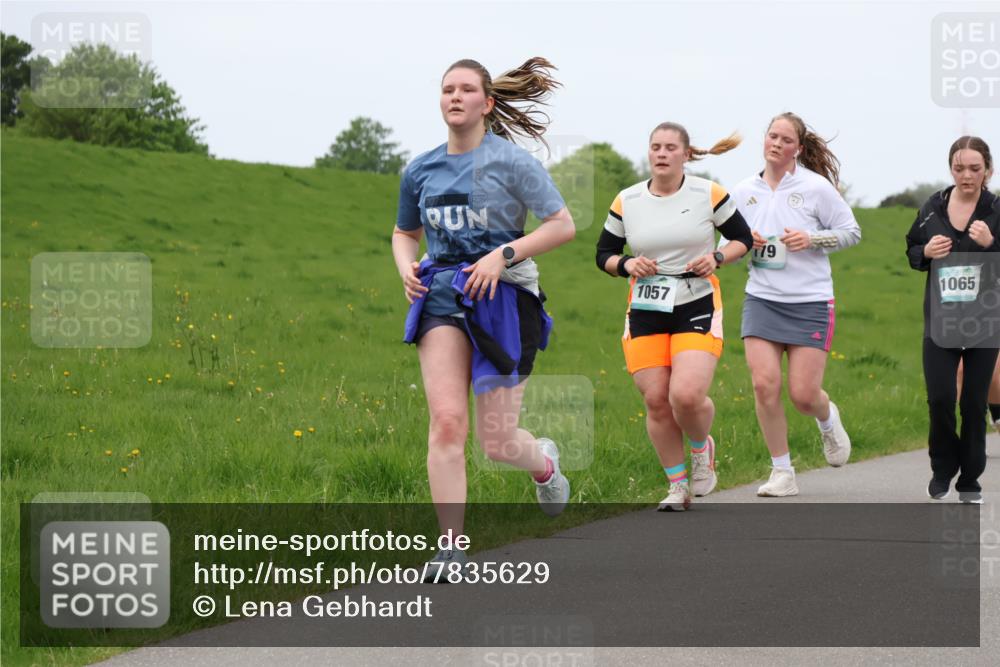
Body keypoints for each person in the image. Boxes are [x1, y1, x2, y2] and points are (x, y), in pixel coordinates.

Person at [392, 58, 576, 580]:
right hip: (443, 295)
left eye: (466, 89)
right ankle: (451, 547)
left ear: (487, 103)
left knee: (497, 442)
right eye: (447, 89)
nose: (455, 97)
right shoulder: (420, 169)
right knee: (447, 422)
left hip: (503, 297)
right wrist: (407, 267)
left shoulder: (512, 164)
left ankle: (542, 462)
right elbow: (404, 232)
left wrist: (504, 255)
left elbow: (562, 226)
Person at [595, 122, 752, 511]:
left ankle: (701, 447)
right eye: (655, 147)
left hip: (695, 299)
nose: (661, 154)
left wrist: (715, 257)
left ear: (685, 154)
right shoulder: (626, 200)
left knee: (685, 394)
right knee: (656, 400)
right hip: (647, 305)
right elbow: (603, 254)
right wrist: (628, 263)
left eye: (669, 147)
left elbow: (742, 239)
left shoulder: (707, 193)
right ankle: (677, 486)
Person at [731, 112, 861, 498]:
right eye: (772, 136)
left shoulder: (815, 187)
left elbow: (851, 232)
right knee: (763, 384)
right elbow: (726, 247)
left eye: (786, 140)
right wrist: (742, 244)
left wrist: (812, 239)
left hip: (810, 301)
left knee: (803, 395)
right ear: (764, 140)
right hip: (762, 299)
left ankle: (826, 417)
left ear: (798, 149)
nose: (776, 144)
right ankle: (782, 471)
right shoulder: (743, 191)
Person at [906, 135, 999, 504]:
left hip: (984, 323)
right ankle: (943, 468)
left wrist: (991, 244)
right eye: (959, 168)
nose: (966, 175)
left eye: (975, 169)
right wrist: (926, 252)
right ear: (951, 169)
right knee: (941, 398)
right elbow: (912, 248)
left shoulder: (995, 210)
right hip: (941, 323)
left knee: (974, 404)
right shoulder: (933, 207)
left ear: (987, 170)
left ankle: (970, 479)